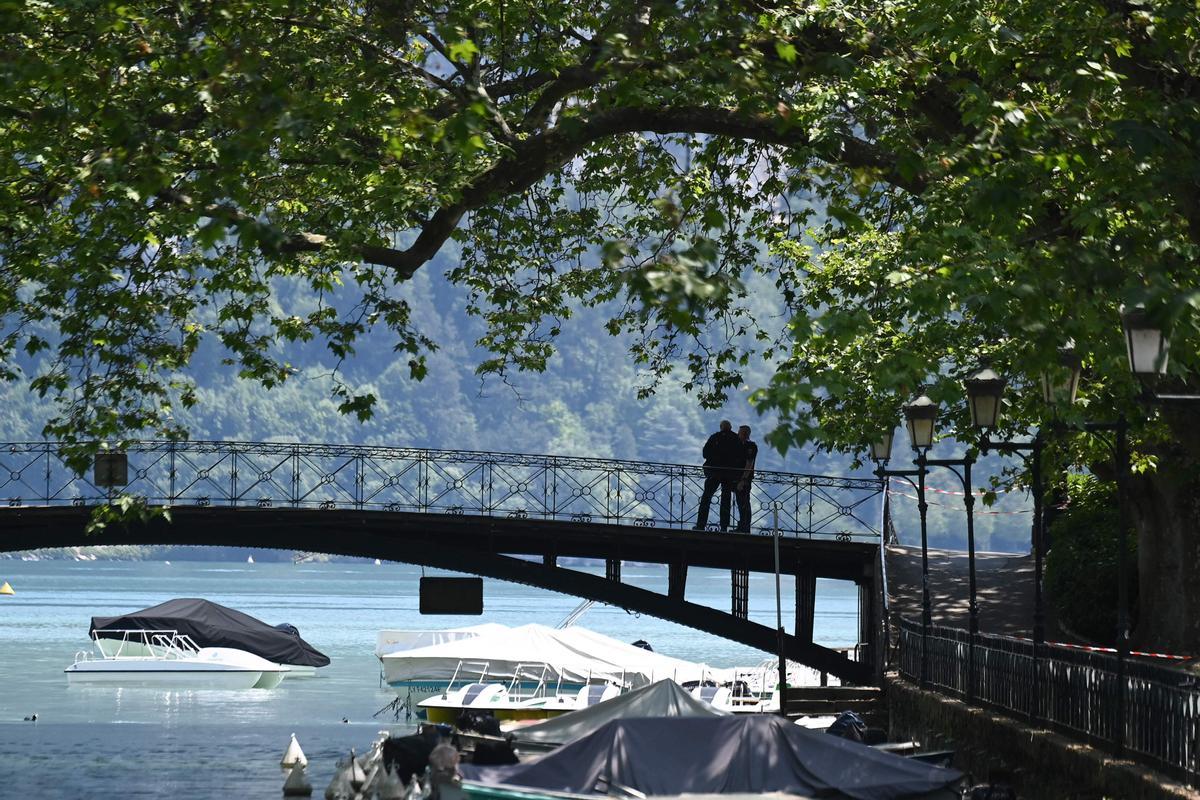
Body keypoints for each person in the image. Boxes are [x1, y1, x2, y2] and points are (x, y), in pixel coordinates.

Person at [693, 420, 745, 531]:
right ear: (730, 427)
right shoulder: (736, 439)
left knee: (706, 497)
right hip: (728, 473)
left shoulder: (715, 437)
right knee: (725, 500)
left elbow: (705, 453)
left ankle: (700, 525)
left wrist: (714, 458)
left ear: (721, 427)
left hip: (714, 471)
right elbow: (741, 457)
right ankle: (724, 527)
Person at [734, 425, 758, 533]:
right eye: (740, 432)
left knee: (744, 502)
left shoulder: (751, 446)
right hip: (734, 477)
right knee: (740, 502)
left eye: (744, 433)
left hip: (744, 479)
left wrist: (743, 480)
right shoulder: (736, 445)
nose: (742, 435)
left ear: (748, 434)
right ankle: (741, 526)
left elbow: (749, 463)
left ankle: (745, 528)